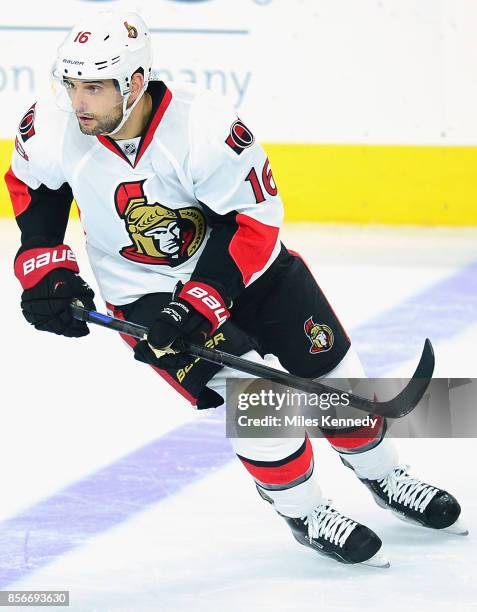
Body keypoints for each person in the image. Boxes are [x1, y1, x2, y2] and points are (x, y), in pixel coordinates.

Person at [4, 10, 466, 568]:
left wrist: (200, 301)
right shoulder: (54, 125)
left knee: (336, 382)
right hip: (146, 292)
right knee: (259, 405)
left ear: (134, 83)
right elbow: (36, 188)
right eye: (72, 85)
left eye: (95, 87)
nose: (79, 102)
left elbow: (252, 221)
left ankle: (385, 475)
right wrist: (46, 269)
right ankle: (305, 511)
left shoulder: (207, 127)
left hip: (254, 274)